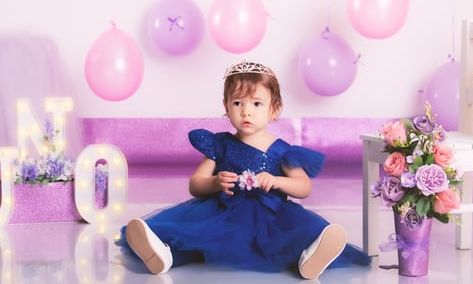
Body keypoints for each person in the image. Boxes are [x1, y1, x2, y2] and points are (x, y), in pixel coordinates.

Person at [118, 61, 370, 279]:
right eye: (238, 103)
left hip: (270, 216)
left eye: (257, 104)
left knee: (285, 238)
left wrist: (277, 181)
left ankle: (308, 257)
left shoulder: (282, 151)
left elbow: (303, 187)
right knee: (200, 236)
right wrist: (215, 182)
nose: (246, 111)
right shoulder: (220, 144)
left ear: (274, 109)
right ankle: (164, 254)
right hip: (221, 212)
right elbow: (196, 184)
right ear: (226, 106)